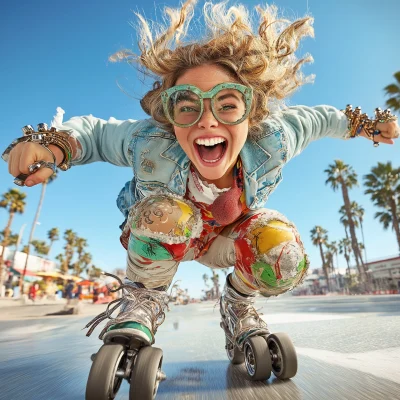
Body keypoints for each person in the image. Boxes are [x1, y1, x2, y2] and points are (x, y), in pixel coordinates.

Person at [2, 0, 399, 356]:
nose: (207, 119)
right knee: (165, 211)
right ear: (169, 117)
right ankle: (144, 299)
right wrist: (51, 146)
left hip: (227, 238)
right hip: (165, 235)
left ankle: (239, 305)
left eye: (227, 105)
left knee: (282, 246)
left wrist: (367, 125)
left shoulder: (274, 138)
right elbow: (94, 133)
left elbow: (321, 119)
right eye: (186, 106)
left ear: (252, 113)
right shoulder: (149, 141)